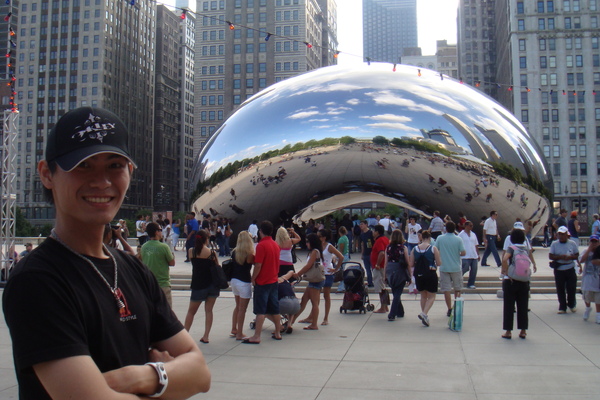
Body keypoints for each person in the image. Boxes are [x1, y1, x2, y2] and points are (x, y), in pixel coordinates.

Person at [3, 106, 209, 399]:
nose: (102, 181)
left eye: (114, 165)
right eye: (83, 166)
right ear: (47, 174)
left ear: (130, 171)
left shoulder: (133, 269)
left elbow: (200, 373)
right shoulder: (37, 280)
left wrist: (139, 376)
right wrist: (170, 380)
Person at [243, 221, 282, 343]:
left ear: (261, 231)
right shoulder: (275, 245)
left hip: (263, 281)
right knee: (274, 309)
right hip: (273, 280)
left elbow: (258, 265)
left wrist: (253, 278)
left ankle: (257, 336)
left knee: (261, 310)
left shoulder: (261, 245)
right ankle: (278, 332)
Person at [184, 230, 220, 344]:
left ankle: (185, 336)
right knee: (209, 311)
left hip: (198, 284)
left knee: (191, 312)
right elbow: (217, 266)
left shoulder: (191, 252)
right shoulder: (211, 253)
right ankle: (206, 336)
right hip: (212, 285)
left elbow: (193, 262)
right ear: (206, 239)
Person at [500, 228, 537, 339]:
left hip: (511, 281)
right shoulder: (526, 249)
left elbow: (505, 259)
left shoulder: (511, 248)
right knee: (523, 306)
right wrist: (534, 265)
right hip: (524, 281)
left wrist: (505, 272)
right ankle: (523, 331)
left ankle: (508, 331)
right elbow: (530, 258)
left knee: (509, 306)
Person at [292, 233, 325, 331]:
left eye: (307, 241)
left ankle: (314, 324)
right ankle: (292, 320)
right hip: (315, 279)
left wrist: (298, 273)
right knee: (304, 300)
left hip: (314, 280)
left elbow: (308, 266)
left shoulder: (314, 252)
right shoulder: (317, 251)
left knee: (314, 303)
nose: (306, 244)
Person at [410, 230, 441, 327]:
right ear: (429, 238)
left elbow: (411, 263)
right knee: (432, 296)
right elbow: (439, 263)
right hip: (430, 273)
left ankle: (424, 314)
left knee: (423, 295)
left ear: (421, 237)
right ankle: (424, 313)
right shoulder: (433, 248)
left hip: (419, 274)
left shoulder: (415, 249)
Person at [434, 221, 466, 317]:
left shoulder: (440, 238)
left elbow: (435, 249)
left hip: (444, 267)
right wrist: (457, 254)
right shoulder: (458, 239)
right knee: (457, 288)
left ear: (446, 229)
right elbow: (463, 252)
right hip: (456, 267)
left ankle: (449, 308)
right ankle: (456, 306)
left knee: (446, 289)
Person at [141, 222, 176, 307]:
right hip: (163, 284)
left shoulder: (144, 246)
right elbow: (172, 263)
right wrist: (173, 255)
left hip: (149, 284)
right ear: (156, 232)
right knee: (166, 313)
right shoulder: (164, 247)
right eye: (160, 230)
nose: (161, 232)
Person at [230, 231, 254, 340]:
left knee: (237, 306)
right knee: (242, 309)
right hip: (244, 281)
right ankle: (239, 333)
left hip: (234, 280)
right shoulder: (249, 254)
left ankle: (234, 328)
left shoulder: (235, 252)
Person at [549, 226, 580, 314]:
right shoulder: (554, 244)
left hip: (569, 267)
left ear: (566, 234)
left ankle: (571, 304)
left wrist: (570, 257)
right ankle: (562, 306)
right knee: (560, 288)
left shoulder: (572, 243)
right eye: (559, 234)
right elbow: (551, 256)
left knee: (571, 288)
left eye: (563, 234)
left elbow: (577, 255)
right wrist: (560, 257)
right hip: (559, 269)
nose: (561, 236)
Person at [317, 228, 344, 325]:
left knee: (326, 295)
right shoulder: (317, 246)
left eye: (319, 236)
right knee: (316, 296)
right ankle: (314, 316)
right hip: (319, 273)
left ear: (324, 238)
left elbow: (341, 256)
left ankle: (326, 318)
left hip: (328, 273)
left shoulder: (329, 246)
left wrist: (336, 268)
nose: (318, 238)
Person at [385, 229, 411, 321]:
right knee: (398, 293)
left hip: (390, 269)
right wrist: (410, 275)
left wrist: (385, 275)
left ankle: (400, 311)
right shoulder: (403, 248)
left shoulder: (388, 247)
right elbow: (407, 262)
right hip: (400, 270)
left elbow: (386, 262)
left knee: (395, 291)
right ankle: (392, 314)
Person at [579, 235, 600, 323]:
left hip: (597, 278)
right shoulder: (585, 251)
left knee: (598, 298)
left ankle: (598, 314)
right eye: (592, 242)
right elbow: (581, 260)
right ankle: (588, 308)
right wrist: (589, 250)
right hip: (587, 278)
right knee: (587, 296)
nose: (594, 244)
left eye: (596, 242)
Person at [371, 225, 390, 314]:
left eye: (374, 231)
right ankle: (385, 306)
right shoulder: (385, 239)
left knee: (380, 287)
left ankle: (383, 307)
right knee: (383, 287)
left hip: (380, 267)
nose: (373, 232)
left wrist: (377, 264)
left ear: (377, 232)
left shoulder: (380, 240)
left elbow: (381, 253)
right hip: (382, 266)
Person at [458, 220, 479, 289]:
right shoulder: (461, 235)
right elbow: (458, 244)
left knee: (474, 270)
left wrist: (478, 254)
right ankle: (457, 278)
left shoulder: (473, 234)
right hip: (465, 256)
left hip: (473, 255)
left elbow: (476, 245)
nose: (471, 227)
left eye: (472, 226)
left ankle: (471, 283)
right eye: (470, 226)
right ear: (466, 226)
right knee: (465, 268)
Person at [359, 220, 375, 287]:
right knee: (367, 269)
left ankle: (376, 281)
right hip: (365, 253)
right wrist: (362, 254)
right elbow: (362, 244)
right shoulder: (362, 234)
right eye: (360, 224)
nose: (361, 226)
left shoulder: (371, 233)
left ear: (366, 224)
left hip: (371, 253)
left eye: (362, 224)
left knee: (373, 269)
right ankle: (370, 282)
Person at [336, 226, 350, 293]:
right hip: (346, 255)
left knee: (341, 272)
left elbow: (341, 249)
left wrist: (338, 257)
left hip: (343, 255)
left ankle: (341, 287)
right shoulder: (346, 238)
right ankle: (342, 286)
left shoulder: (341, 239)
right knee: (342, 271)